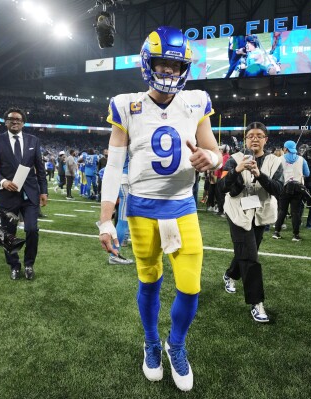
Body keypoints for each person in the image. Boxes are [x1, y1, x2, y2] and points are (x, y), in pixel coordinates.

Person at [98, 26, 222, 392]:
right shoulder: (126, 104)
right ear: (147, 63)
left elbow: (214, 150)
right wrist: (106, 219)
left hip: (182, 208)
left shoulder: (197, 101)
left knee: (190, 285)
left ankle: (176, 345)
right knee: (149, 279)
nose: (168, 72)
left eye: (175, 65)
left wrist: (209, 158)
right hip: (141, 210)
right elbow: (114, 166)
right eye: (162, 64)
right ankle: (152, 343)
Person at [221, 122, 284, 322]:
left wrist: (259, 174)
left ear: (266, 139)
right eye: (250, 136)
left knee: (248, 251)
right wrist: (236, 171)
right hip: (238, 213)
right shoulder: (234, 159)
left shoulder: (275, 161)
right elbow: (223, 187)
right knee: (250, 258)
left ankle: (230, 274)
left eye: (259, 135)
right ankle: (257, 303)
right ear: (245, 139)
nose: (254, 139)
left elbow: (279, 190)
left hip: (261, 213)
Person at [0, 107, 48, 281]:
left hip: (30, 193)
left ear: (23, 122)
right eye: (11, 119)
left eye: (18, 119)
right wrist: (2, 181)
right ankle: (14, 265)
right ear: (5, 121)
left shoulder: (33, 140)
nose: (15, 121)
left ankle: (29, 263)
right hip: (7, 195)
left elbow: (40, 167)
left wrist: (43, 190)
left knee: (32, 229)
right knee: (9, 233)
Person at [273, 140, 309, 241]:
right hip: (298, 188)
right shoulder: (302, 159)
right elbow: (307, 173)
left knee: (282, 211)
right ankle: (295, 235)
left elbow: (276, 174)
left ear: (286, 149)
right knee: (295, 212)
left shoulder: (279, 159)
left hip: (284, 187)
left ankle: (276, 232)